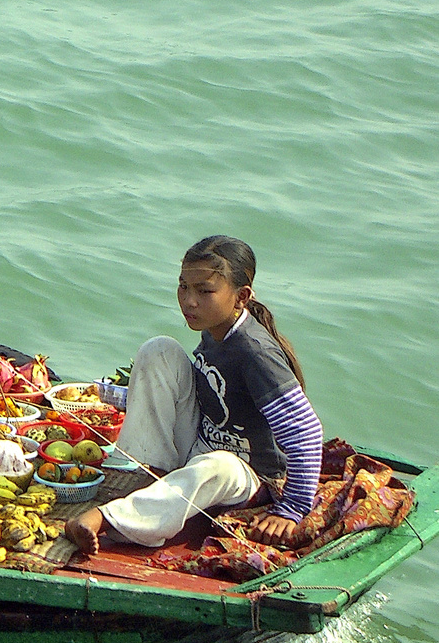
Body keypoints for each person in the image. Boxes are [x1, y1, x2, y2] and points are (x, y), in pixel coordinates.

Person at [65, 235, 322, 554]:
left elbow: (306, 432)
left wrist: (292, 508)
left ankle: (111, 518)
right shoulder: (214, 331)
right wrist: (103, 394)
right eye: (183, 286)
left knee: (216, 465)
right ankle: (143, 473)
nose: (189, 300)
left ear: (241, 296)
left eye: (205, 291)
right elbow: (201, 396)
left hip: (246, 474)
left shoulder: (256, 353)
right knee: (159, 350)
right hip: (203, 447)